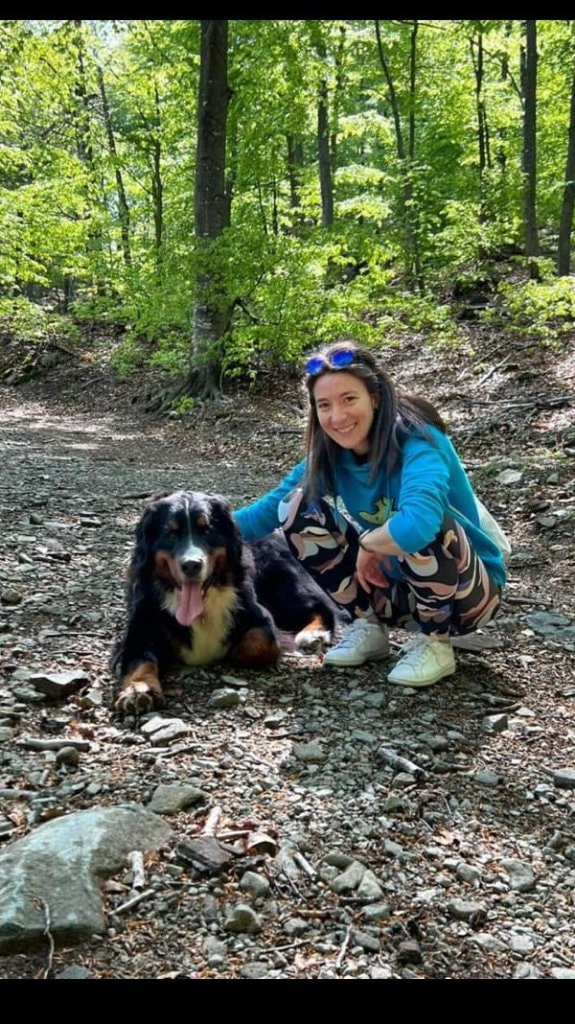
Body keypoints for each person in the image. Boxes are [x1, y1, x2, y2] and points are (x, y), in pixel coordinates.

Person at [233, 340, 506, 687]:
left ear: (375, 398)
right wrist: (194, 526)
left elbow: (420, 523)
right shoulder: (330, 455)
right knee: (295, 506)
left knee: (427, 522)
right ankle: (368, 625)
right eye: (324, 405)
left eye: (349, 399)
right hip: (397, 593)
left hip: (467, 598)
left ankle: (436, 643)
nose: (337, 417)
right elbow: (264, 514)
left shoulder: (419, 439)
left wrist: (367, 543)